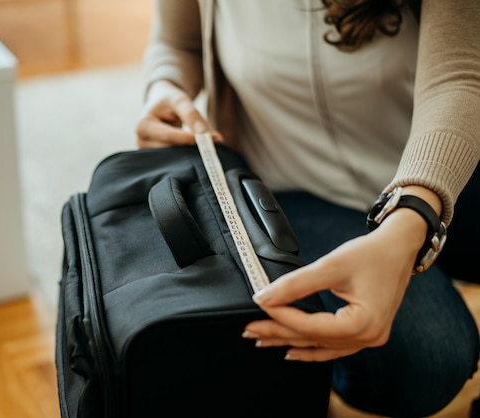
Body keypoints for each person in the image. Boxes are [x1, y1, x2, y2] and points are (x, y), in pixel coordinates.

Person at [135, 1, 480, 416]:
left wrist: (413, 214)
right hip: (292, 187)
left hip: (439, 167)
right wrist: (164, 85)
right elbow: (177, 42)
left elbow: (459, 76)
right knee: (424, 362)